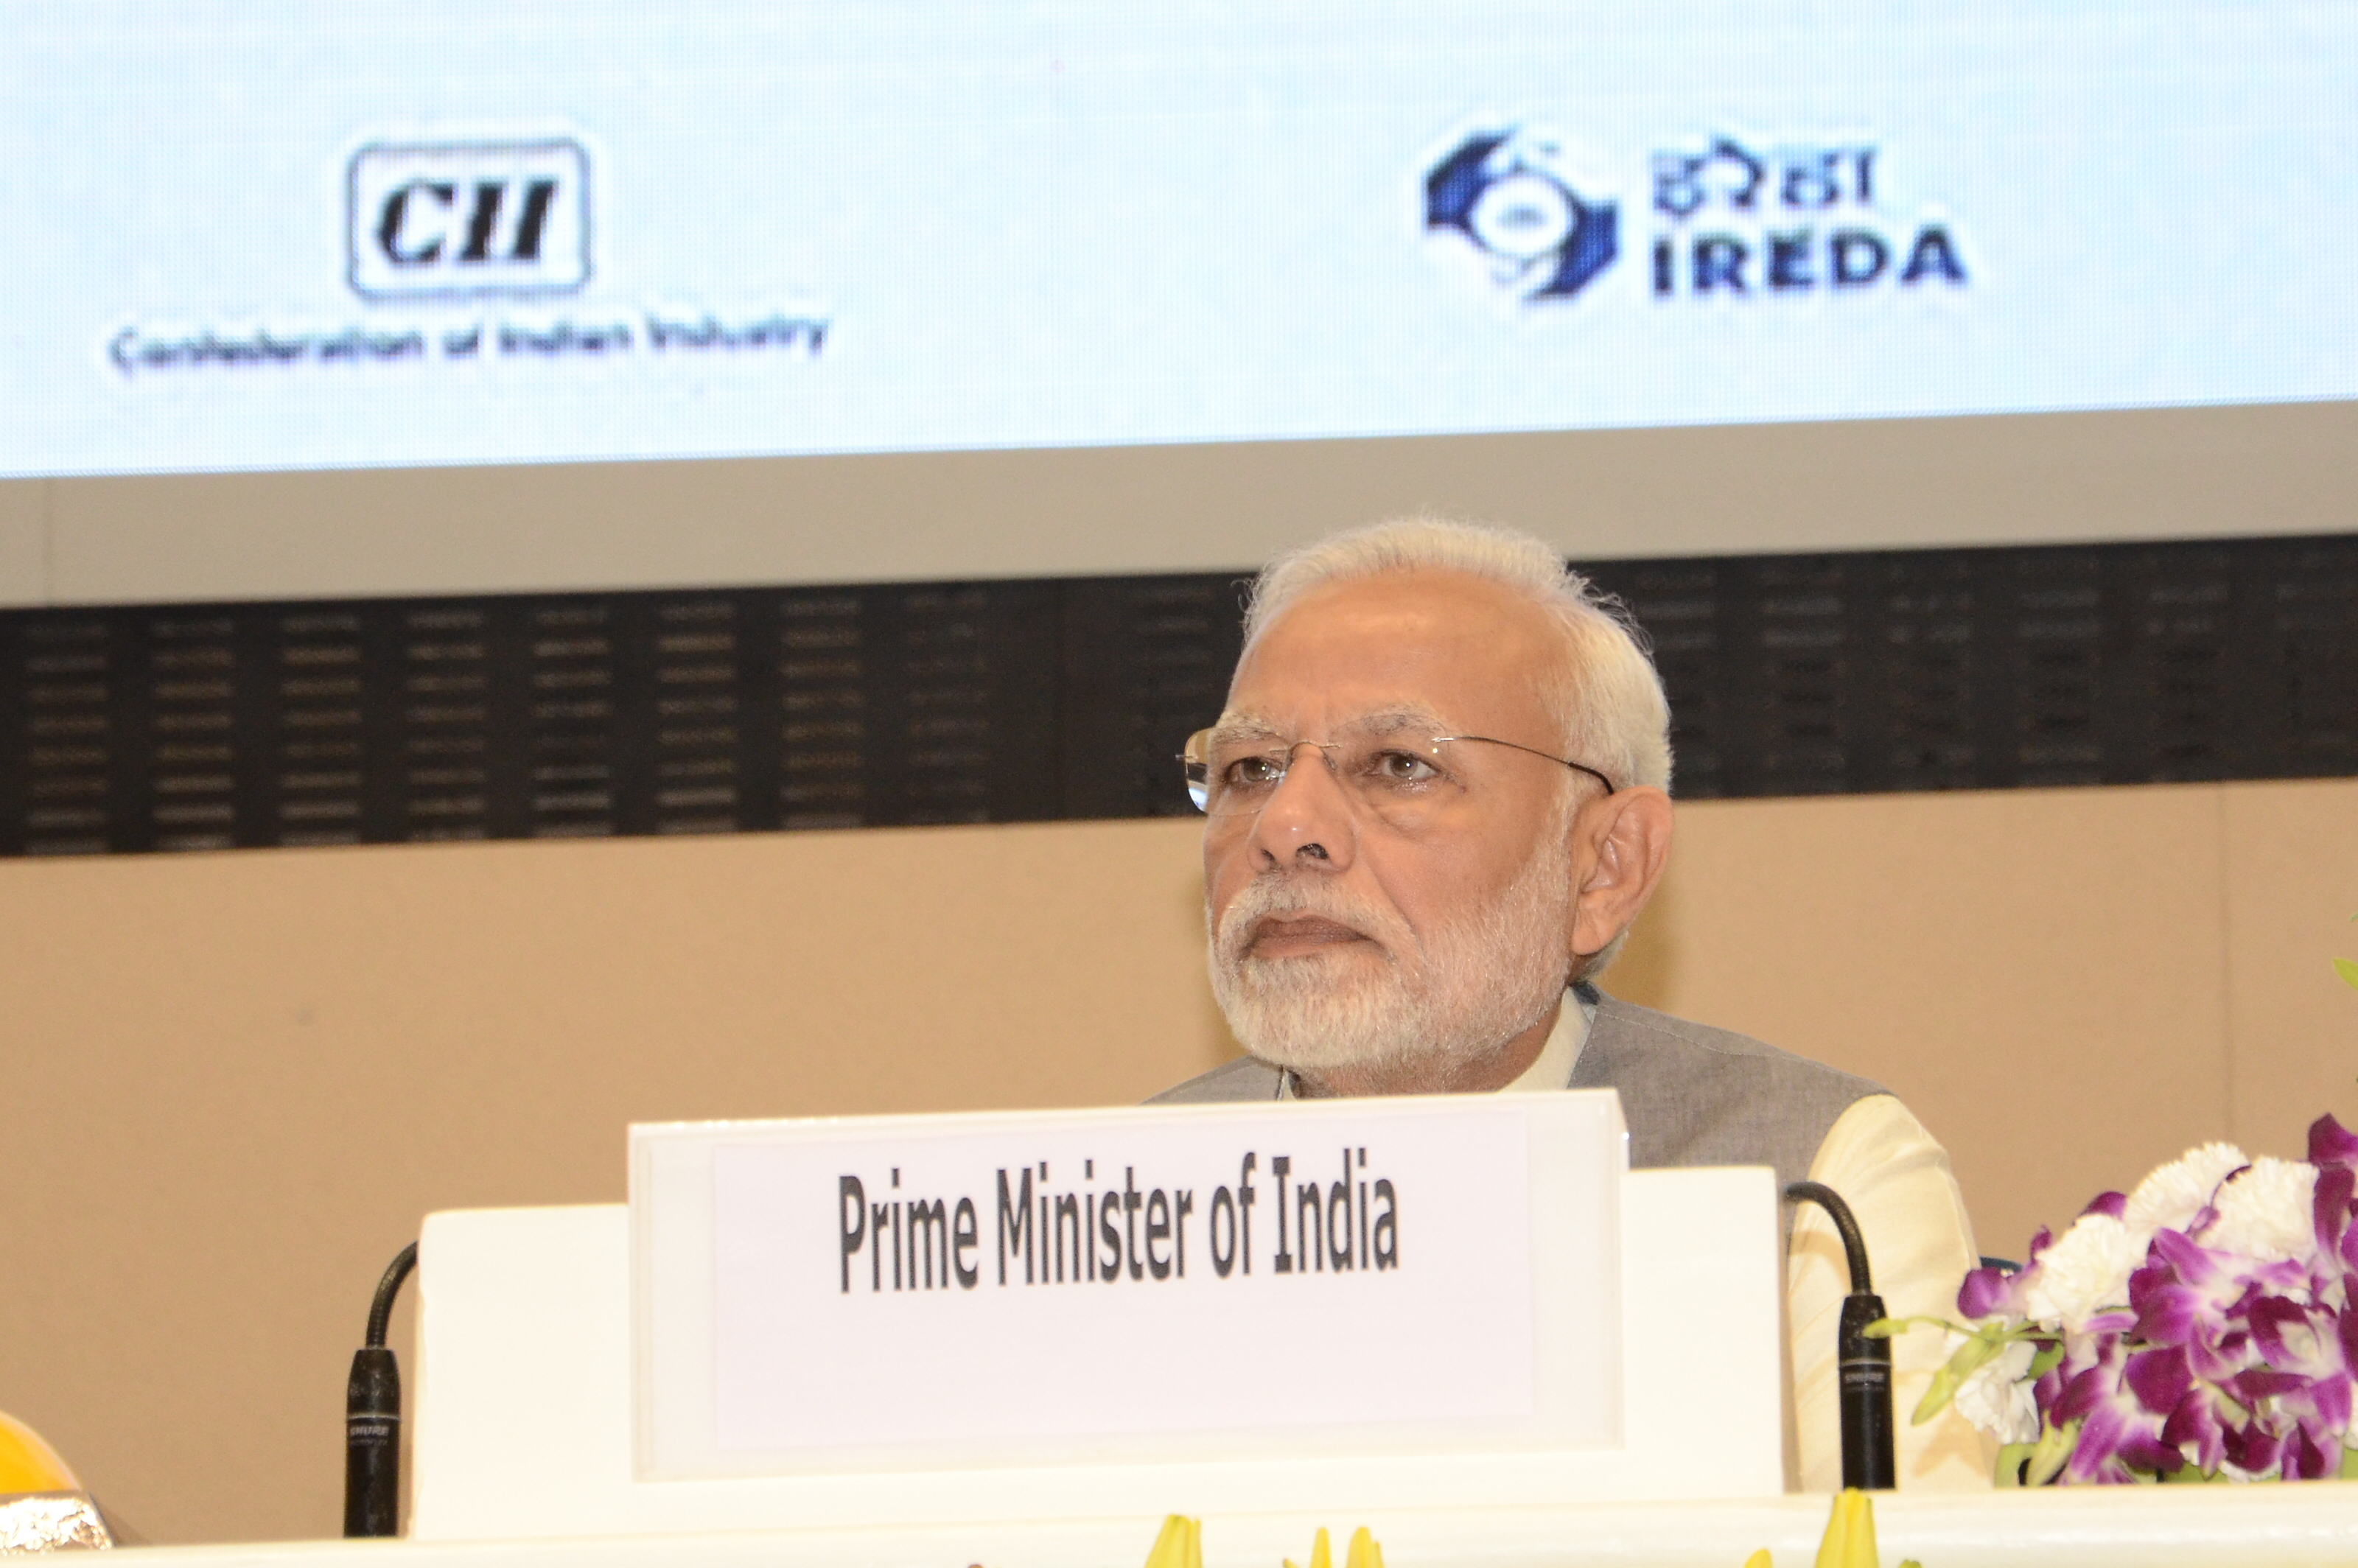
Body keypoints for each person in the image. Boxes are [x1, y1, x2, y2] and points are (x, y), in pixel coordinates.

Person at [1152, 516, 1990, 1492]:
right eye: (1250, 769)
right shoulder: (1116, 1201)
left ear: (1604, 866)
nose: (1286, 824)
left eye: (1399, 764)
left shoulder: (1821, 1183)